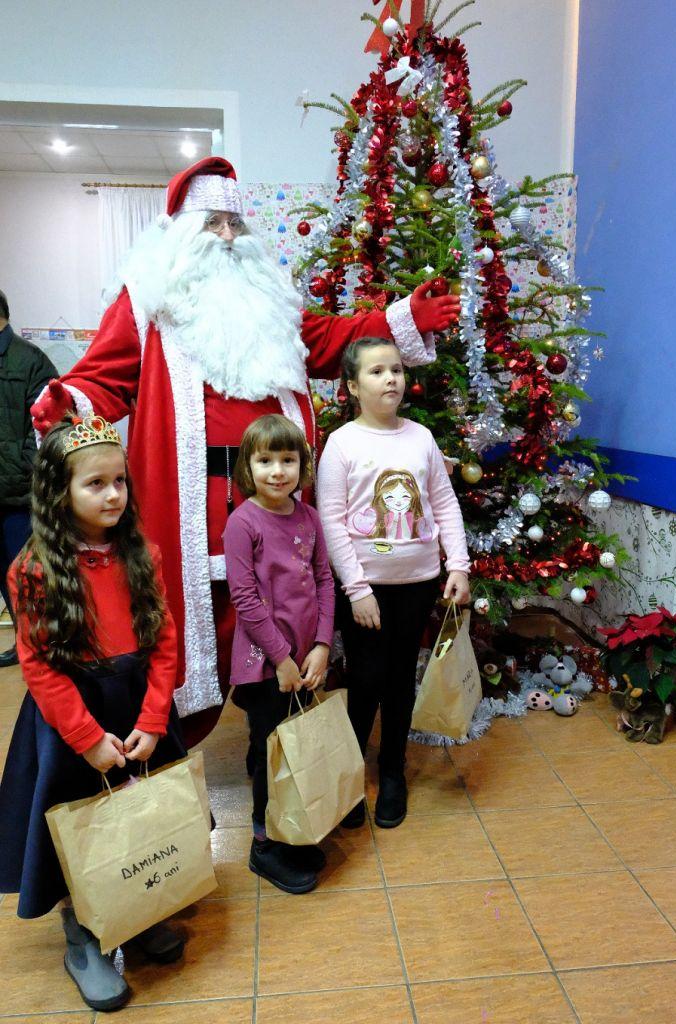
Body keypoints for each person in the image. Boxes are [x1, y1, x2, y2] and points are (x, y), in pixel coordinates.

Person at [29, 157, 460, 743]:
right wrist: (68, 401)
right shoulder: (147, 305)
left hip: (275, 492)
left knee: (284, 605)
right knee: (189, 622)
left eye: (236, 223)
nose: (229, 237)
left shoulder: (271, 302)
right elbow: (105, 377)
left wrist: (400, 318)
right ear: (183, 232)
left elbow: (328, 338)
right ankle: (169, 742)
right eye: (214, 223)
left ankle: (282, 748)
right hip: (193, 504)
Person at [0, 413, 188, 1012]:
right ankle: (82, 931)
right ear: (60, 492)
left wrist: (154, 719)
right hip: (73, 721)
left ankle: (135, 907)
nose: (113, 495)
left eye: (119, 481)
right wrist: (85, 737)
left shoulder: (142, 554)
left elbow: (164, 641)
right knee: (78, 824)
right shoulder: (32, 570)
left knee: (137, 813)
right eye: (95, 484)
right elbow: (38, 665)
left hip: (136, 709)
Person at [316, 337, 470, 830]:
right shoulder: (342, 444)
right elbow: (331, 520)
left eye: (397, 370)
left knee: (401, 679)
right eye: (377, 371)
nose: (391, 379)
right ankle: (349, 774)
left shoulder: (421, 438)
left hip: (417, 583)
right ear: (352, 386)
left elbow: (444, 504)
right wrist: (357, 589)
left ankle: (392, 770)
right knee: (364, 680)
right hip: (366, 591)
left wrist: (458, 565)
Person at [224, 415, 335, 894]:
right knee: (270, 754)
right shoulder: (242, 522)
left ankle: (290, 827)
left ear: (302, 465)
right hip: (265, 667)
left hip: (306, 661)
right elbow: (245, 598)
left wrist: (322, 645)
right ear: (248, 468)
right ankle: (264, 844)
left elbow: (325, 581)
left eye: (287, 460)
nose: (277, 471)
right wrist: (283, 659)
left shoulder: (309, 517)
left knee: (296, 749)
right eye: (265, 460)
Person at [0, 289, 57, 668]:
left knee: (28, 579)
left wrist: (23, 471)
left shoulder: (31, 360)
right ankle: (25, 646)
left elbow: (48, 428)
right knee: (5, 581)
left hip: (19, 500)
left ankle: (43, 652)